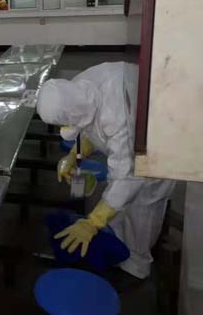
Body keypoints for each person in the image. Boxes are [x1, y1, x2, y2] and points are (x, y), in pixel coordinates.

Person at [37, 62, 175, 279]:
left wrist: (92, 223)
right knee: (116, 208)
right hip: (132, 143)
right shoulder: (80, 88)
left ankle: (136, 268)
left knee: (142, 210)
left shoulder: (117, 114)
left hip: (158, 147)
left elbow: (127, 178)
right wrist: (74, 155)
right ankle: (116, 251)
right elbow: (91, 128)